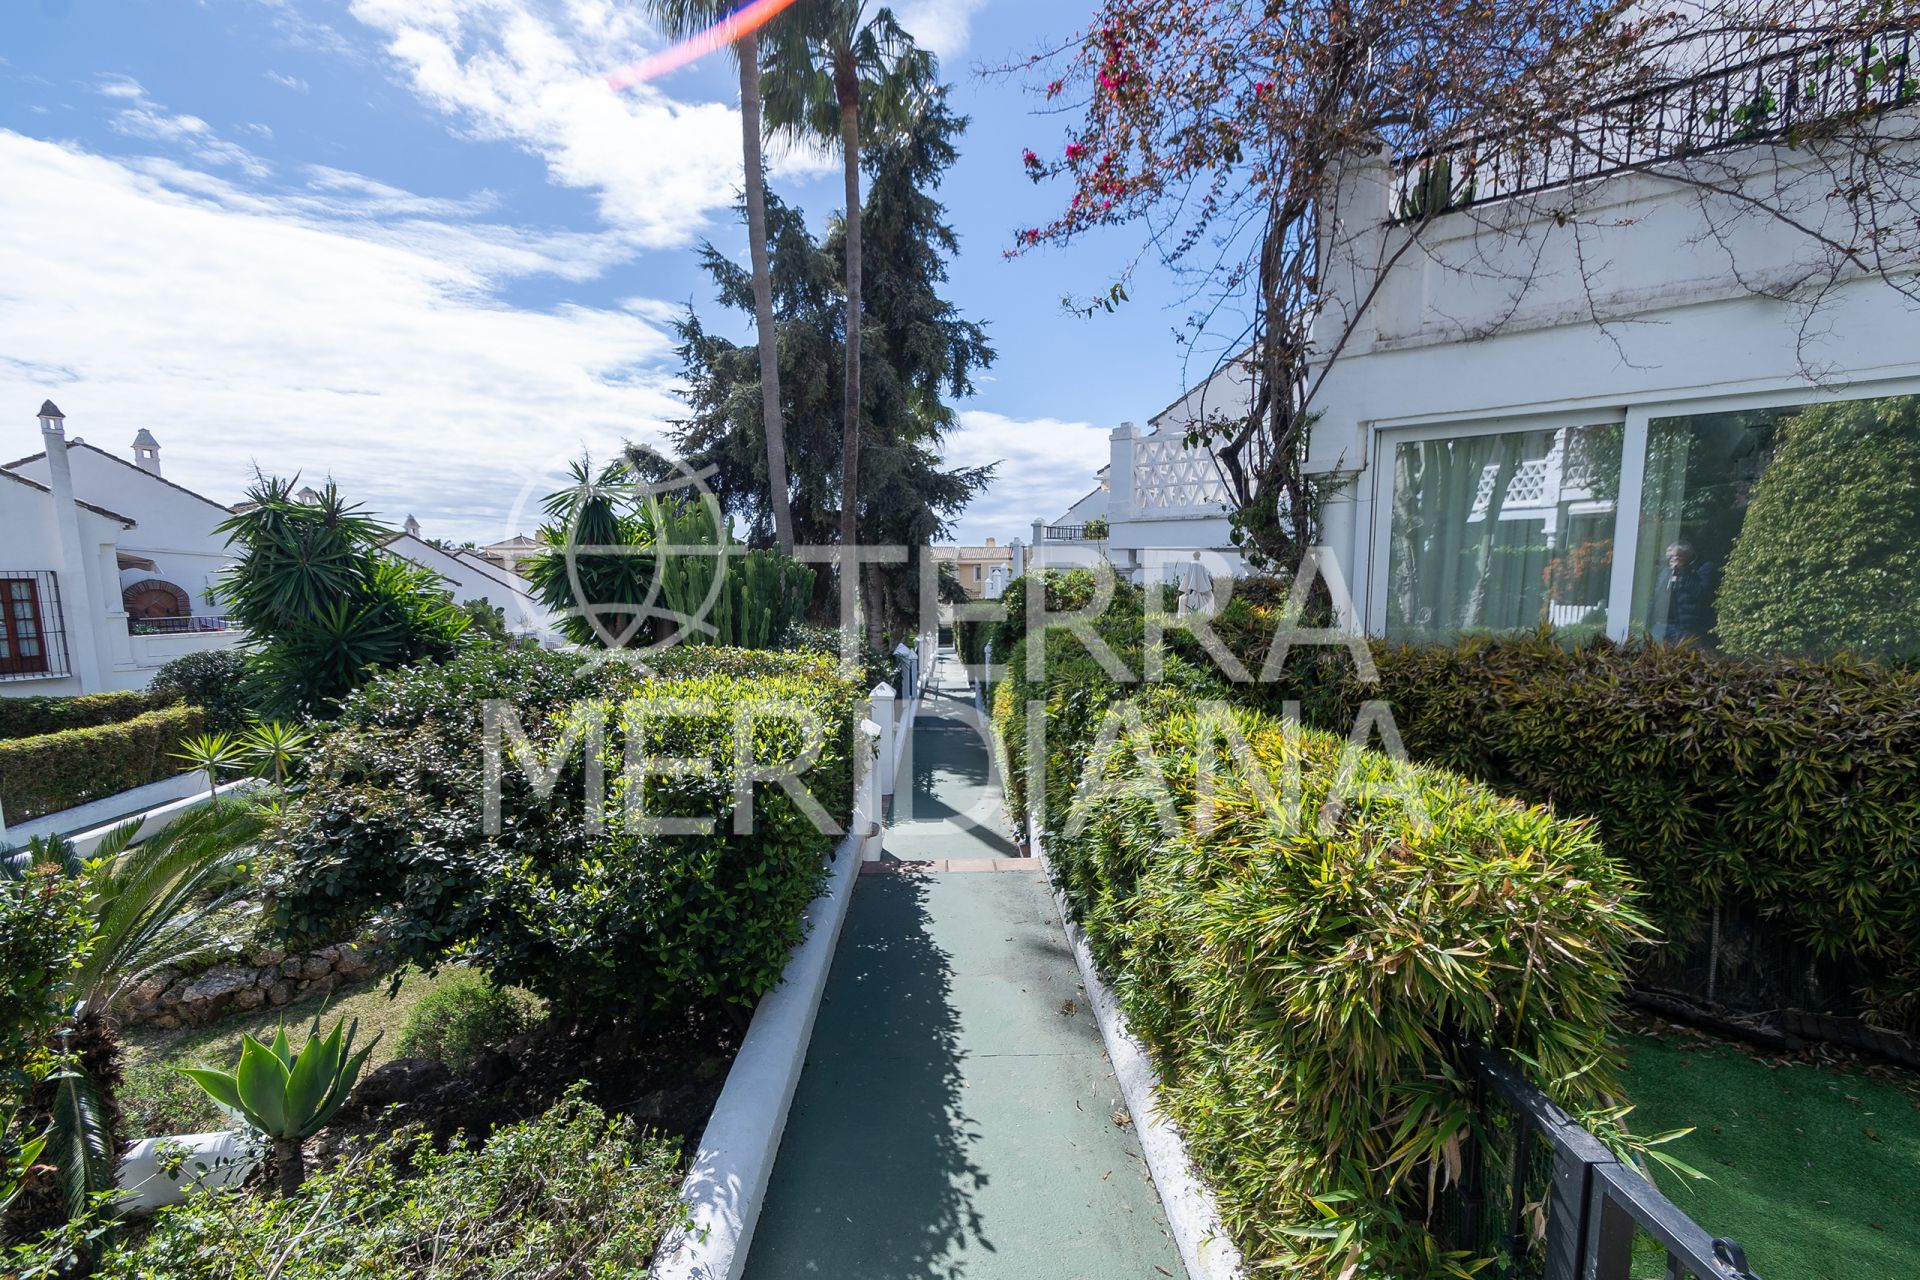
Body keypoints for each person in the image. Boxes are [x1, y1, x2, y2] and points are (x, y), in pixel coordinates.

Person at [1653, 542, 1719, 642]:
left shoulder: (1703, 569)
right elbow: (1656, 597)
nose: (1671, 560)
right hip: (1664, 625)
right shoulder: (1666, 573)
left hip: (1690, 628)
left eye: (1675, 557)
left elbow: (1702, 594)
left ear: (1687, 556)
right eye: (1669, 557)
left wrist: (1683, 572)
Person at [1180, 551, 1214, 616]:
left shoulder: (1195, 563)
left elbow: (1191, 575)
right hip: (1196, 589)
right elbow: (1191, 575)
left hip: (1198, 589)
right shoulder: (1197, 563)